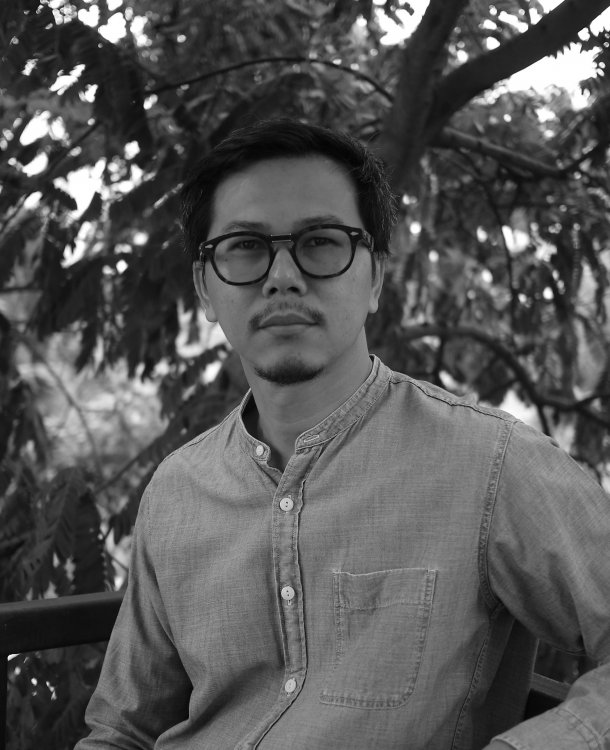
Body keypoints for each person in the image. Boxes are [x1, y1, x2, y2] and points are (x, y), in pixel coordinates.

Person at [75, 119, 610, 750]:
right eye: (245, 246)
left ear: (376, 276)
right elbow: (123, 729)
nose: (282, 276)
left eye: (321, 241)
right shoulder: (177, 491)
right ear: (205, 289)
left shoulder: (492, 466)